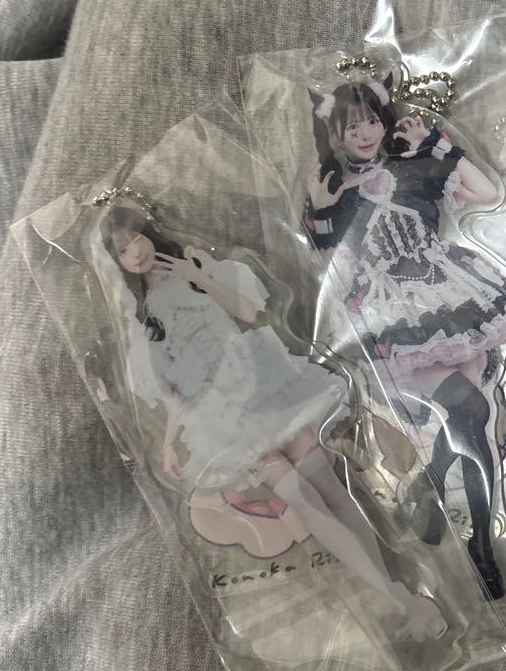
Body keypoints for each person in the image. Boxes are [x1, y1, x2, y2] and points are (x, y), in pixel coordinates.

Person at [102, 200, 447, 643]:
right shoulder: (144, 316)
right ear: (118, 263)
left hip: (260, 386)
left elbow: (247, 312)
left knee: (331, 492)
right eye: (123, 250)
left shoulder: (194, 264)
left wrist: (198, 277)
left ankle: (397, 593)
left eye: (136, 239)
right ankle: (393, 595)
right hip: (221, 414)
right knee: (302, 500)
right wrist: (170, 442)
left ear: (149, 234)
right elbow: (174, 390)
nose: (135, 251)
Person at [305, 80, 506, 597]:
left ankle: (434, 495)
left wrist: (437, 143)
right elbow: (329, 271)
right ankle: (478, 543)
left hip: (451, 296)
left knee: (470, 421)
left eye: (372, 121)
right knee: (472, 411)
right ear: (336, 135)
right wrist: (319, 210)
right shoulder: (335, 195)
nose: (365, 133)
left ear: (385, 123)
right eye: (352, 127)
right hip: (392, 315)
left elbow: (490, 194)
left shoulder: (415, 168)